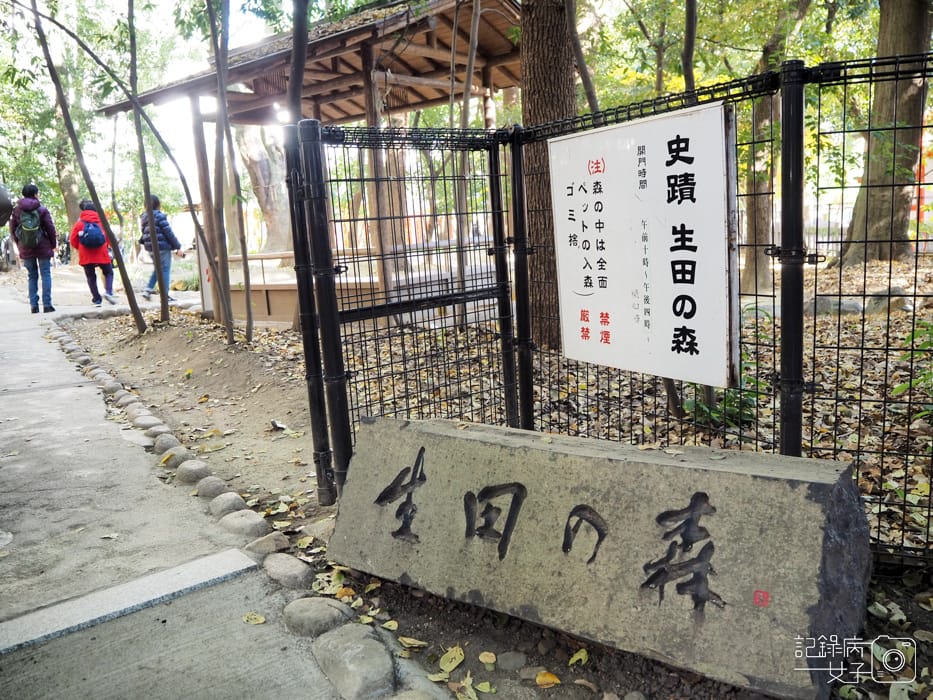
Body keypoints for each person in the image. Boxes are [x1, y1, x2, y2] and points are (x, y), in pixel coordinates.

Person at [9, 184, 57, 313]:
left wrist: (19, 243)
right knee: (45, 274)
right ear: (36, 194)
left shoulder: (17, 210)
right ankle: (47, 305)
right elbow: (50, 228)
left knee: (32, 276)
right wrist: (53, 245)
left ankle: (34, 306)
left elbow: (13, 229)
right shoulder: (42, 209)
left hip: (25, 247)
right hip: (43, 246)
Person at [70, 199, 117, 307]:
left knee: (91, 276)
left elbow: (73, 240)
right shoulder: (102, 222)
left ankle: (96, 299)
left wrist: (80, 248)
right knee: (108, 272)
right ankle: (109, 292)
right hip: (102, 252)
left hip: (86, 254)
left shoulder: (79, 224)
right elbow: (109, 237)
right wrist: (110, 247)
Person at [139, 194, 183, 301]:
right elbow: (168, 233)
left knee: (158, 269)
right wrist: (178, 247)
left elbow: (144, 234)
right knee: (165, 270)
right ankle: (165, 295)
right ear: (158, 204)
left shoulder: (144, 217)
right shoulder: (159, 216)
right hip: (162, 248)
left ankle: (148, 289)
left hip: (151, 249)